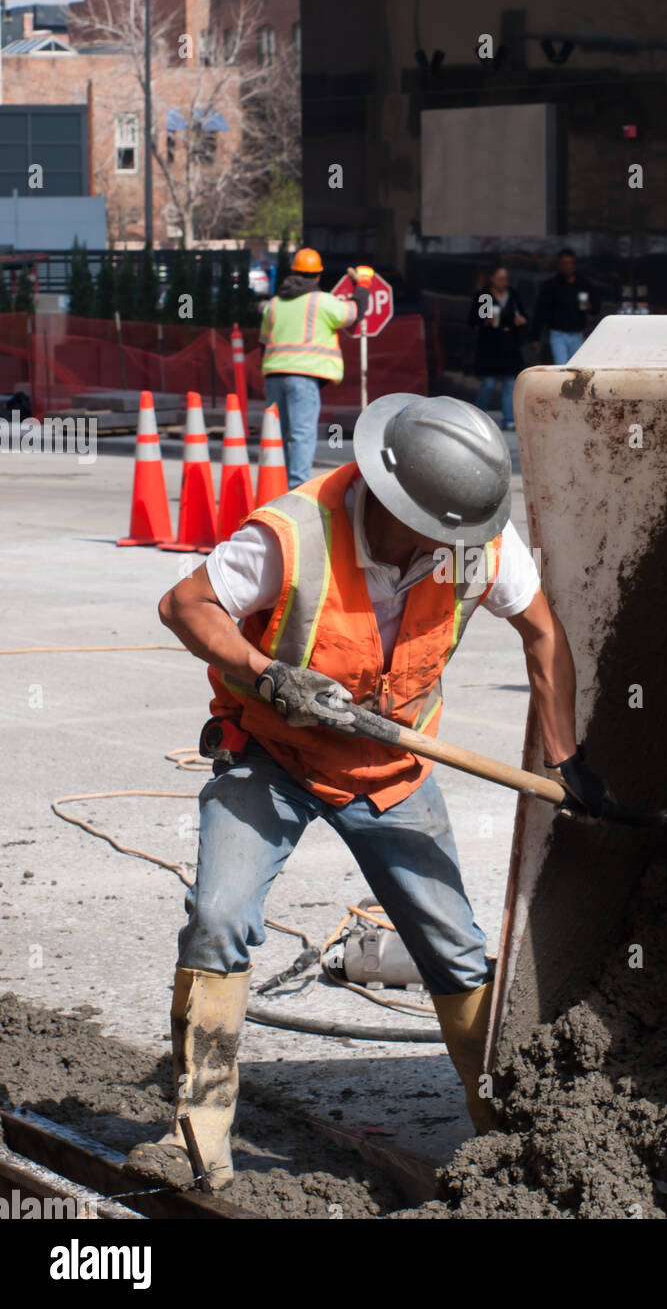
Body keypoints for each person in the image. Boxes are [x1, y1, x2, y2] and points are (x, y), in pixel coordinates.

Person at [127, 394, 607, 1191]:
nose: (463, 548)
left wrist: (565, 760)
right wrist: (267, 675)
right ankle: (197, 1138)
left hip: (389, 773)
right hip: (272, 755)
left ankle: (508, 1131)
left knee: (453, 945)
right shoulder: (296, 534)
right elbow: (186, 604)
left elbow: (544, 633)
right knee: (219, 917)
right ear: (395, 503)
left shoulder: (472, 543)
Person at [258, 248, 372, 488]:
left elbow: (263, 342)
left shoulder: (274, 305)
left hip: (274, 376)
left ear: (292, 273)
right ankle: (297, 488)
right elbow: (353, 313)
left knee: (277, 435)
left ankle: (275, 485)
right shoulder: (322, 302)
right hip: (303, 379)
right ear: (318, 276)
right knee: (302, 435)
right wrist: (363, 284)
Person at [467, 265, 527, 430]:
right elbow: (476, 319)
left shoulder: (512, 295)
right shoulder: (485, 295)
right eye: (500, 278)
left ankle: (509, 418)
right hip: (490, 346)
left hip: (509, 345)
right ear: (492, 279)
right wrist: (486, 320)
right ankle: (479, 415)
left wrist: (520, 320)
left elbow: (521, 314)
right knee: (489, 383)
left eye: (506, 278)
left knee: (509, 384)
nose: (504, 282)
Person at [531, 249, 601, 365]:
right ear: (559, 265)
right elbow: (541, 311)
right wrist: (535, 336)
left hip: (577, 333)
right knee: (561, 366)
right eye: (565, 263)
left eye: (571, 263)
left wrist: (590, 306)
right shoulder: (551, 286)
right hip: (558, 333)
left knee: (578, 367)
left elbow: (596, 307)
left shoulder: (583, 284)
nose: (568, 266)